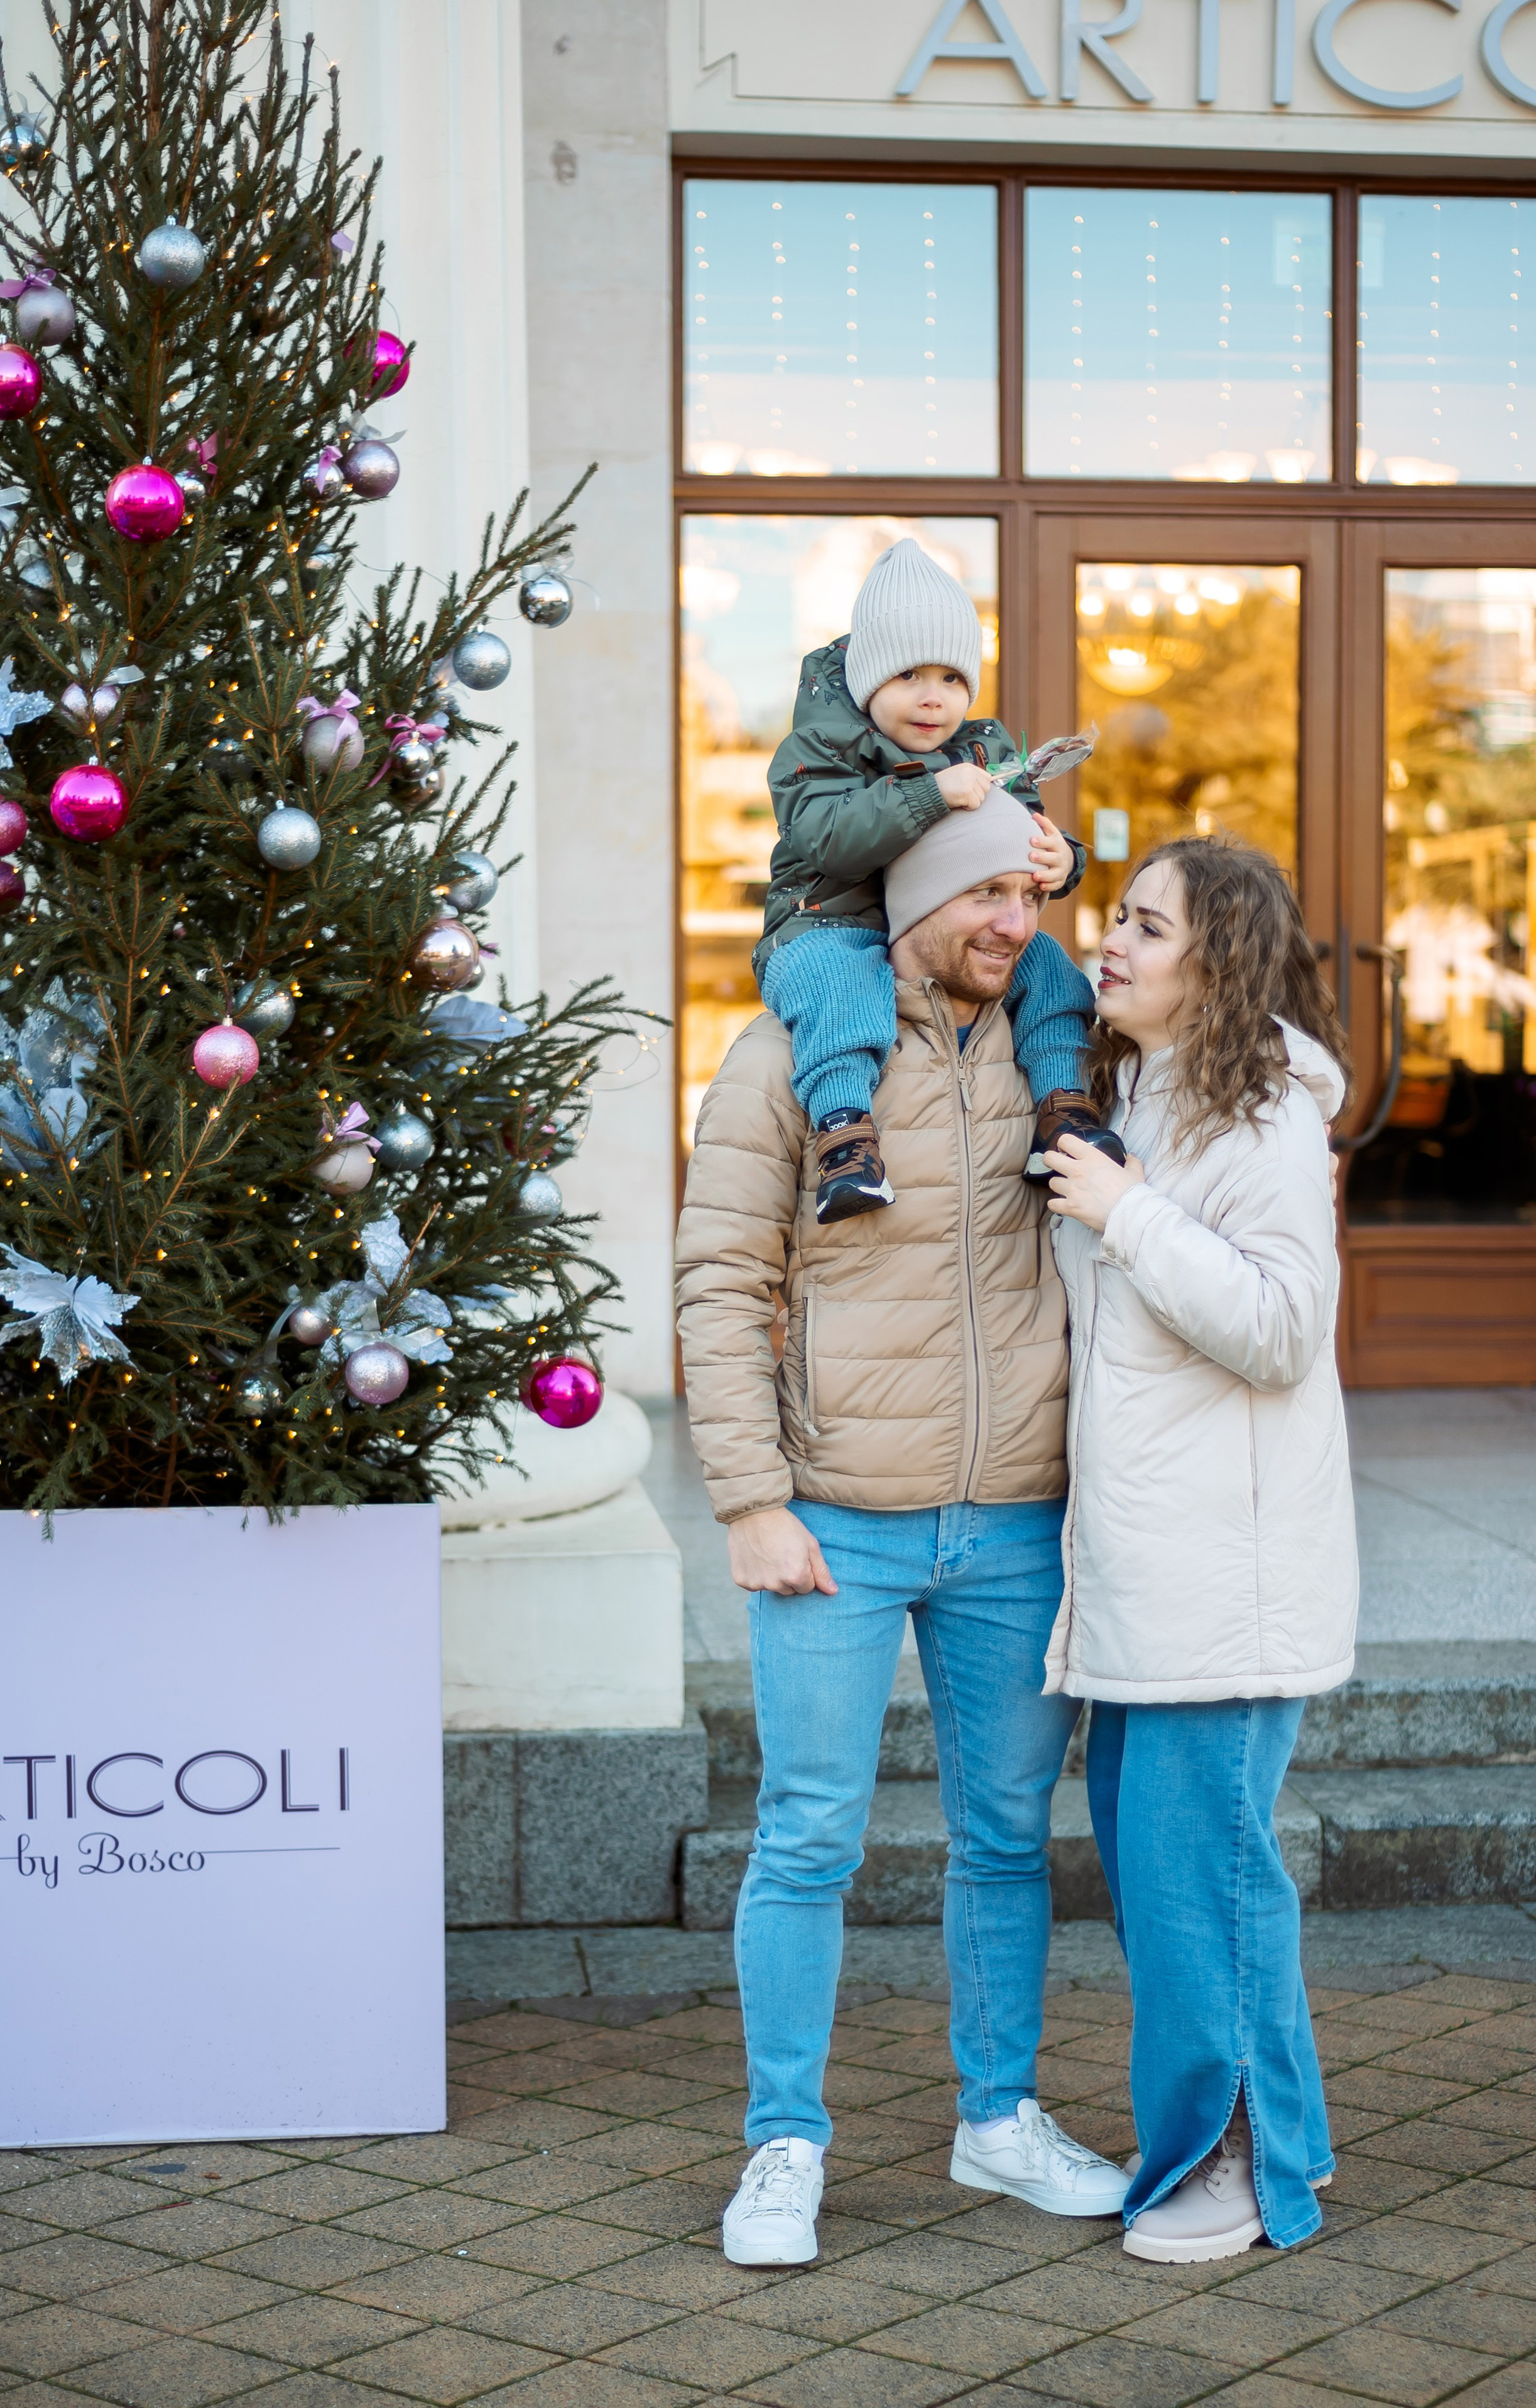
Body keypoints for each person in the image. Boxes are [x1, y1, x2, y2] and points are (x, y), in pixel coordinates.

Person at [677, 783, 1130, 2271]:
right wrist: (748, 1498)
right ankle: (782, 2143)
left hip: (1014, 1519)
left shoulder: (1055, 1055)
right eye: (985, 895)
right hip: (835, 1518)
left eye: (1030, 896)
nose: (1015, 922)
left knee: (1004, 1837)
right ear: (914, 900)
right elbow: (721, 1282)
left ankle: (995, 2118)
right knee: (807, 1836)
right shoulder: (786, 1058)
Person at [1042, 836, 1359, 2265]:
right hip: (1138, 1564)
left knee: (1195, 1896)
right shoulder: (1138, 1091)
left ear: (1217, 960)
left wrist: (1129, 1215)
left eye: (1147, 925)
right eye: (1115, 914)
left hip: (1223, 1579)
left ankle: (1225, 2161)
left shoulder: (1265, 1117)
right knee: (1185, 1883)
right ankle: (1279, 2136)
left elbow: (1282, 1327)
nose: (1109, 941)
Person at [755, 538, 1125, 1223]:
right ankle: (845, 1136)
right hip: (828, 922)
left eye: (952, 679)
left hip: (944, 939)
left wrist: (1060, 859)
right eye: (909, 676)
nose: (934, 699)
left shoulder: (982, 750)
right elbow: (825, 837)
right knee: (841, 983)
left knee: (1048, 968)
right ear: (868, 680)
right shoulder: (820, 747)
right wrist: (930, 794)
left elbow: (1022, 826)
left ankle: (1062, 1111)